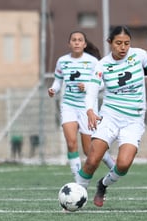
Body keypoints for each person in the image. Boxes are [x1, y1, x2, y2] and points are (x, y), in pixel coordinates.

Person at [74, 25, 147, 207]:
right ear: (109, 43)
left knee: (123, 164)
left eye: (126, 43)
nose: (123, 47)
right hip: (110, 116)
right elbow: (92, 89)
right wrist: (90, 110)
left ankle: (103, 185)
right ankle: (75, 198)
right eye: (119, 43)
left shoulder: (137, 55)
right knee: (92, 160)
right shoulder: (102, 65)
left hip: (133, 121)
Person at [48, 31, 115, 180]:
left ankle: (114, 167)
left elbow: (104, 83)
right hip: (68, 105)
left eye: (80, 40)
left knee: (89, 150)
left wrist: (88, 87)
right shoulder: (62, 61)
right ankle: (78, 181)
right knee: (71, 143)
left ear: (84, 44)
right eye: (74, 40)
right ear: (69, 44)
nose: (77, 42)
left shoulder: (93, 62)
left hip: (87, 108)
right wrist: (54, 89)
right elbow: (58, 80)